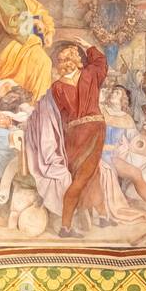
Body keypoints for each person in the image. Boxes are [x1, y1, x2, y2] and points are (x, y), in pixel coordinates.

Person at [48, 40, 108, 237]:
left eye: (66, 58)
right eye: (62, 59)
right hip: (88, 132)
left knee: (92, 172)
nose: (65, 62)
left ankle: (103, 214)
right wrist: (89, 46)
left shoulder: (64, 83)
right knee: (82, 178)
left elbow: (63, 115)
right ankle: (65, 226)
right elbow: (101, 62)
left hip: (80, 133)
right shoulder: (84, 77)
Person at [95, 85, 146, 225]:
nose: (114, 93)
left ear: (123, 99)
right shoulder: (102, 110)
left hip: (113, 155)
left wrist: (145, 131)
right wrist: (99, 101)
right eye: (114, 91)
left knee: (137, 173)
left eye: (118, 92)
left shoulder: (126, 118)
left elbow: (135, 139)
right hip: (98, 153)